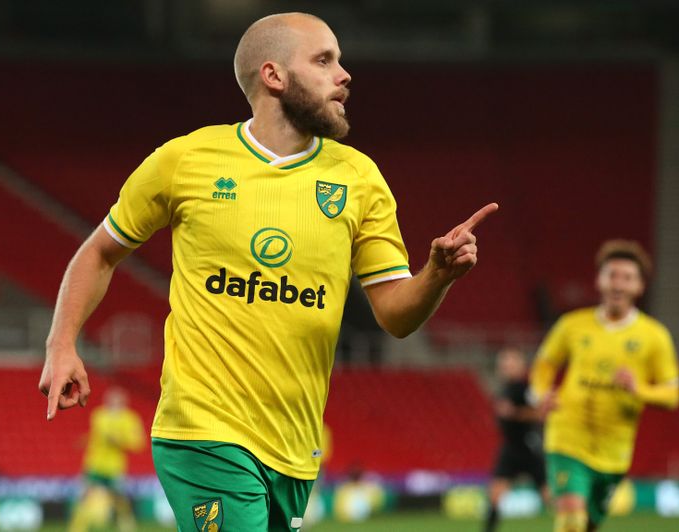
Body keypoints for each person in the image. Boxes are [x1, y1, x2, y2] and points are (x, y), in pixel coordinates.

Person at [38, 11, 498, 532]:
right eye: (324, 60)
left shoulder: (359, 178)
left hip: (293, 445)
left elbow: (394, 314)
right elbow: (99, 251)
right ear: (274, 75)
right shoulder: (186, 160)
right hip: (203, 430)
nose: (344, 75)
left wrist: (436, 275)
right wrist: (61, 345)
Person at [529, 240, 679, 532]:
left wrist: (640, 390)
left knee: (589, 524)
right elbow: (544, 364)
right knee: (571, 516)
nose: (618, 284)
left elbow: (673, 395)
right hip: (567, 436)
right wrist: (539, 395)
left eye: (627, 277)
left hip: (614, 451)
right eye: (612, 275)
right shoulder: (572, 325)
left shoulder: (655, 336)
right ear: (599, 280)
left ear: (639, 286)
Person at [484, 346, 548, 532]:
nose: (505, 367)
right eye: (503, 364)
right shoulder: (506, 389)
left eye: (510, 364)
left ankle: (573, 523)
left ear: (521, 366)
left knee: (548, 495)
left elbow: (540, 414)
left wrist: (515, 413)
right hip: (510, 448)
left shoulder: (528, 388)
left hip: (529, 446)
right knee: (495, 495)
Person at [69, 387, 144, 532]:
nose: (112, 402)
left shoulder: (130, 418)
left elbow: (138, 443)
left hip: (114, 466)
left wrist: (119, 441)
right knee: (84, 496)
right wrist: (85, 440)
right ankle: (77, 528)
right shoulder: (99, 415)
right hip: (94, 463)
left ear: (123, 401)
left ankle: (127, 526)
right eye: (110, 399)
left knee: (120, 500)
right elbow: (96, 436)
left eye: (116, 399)